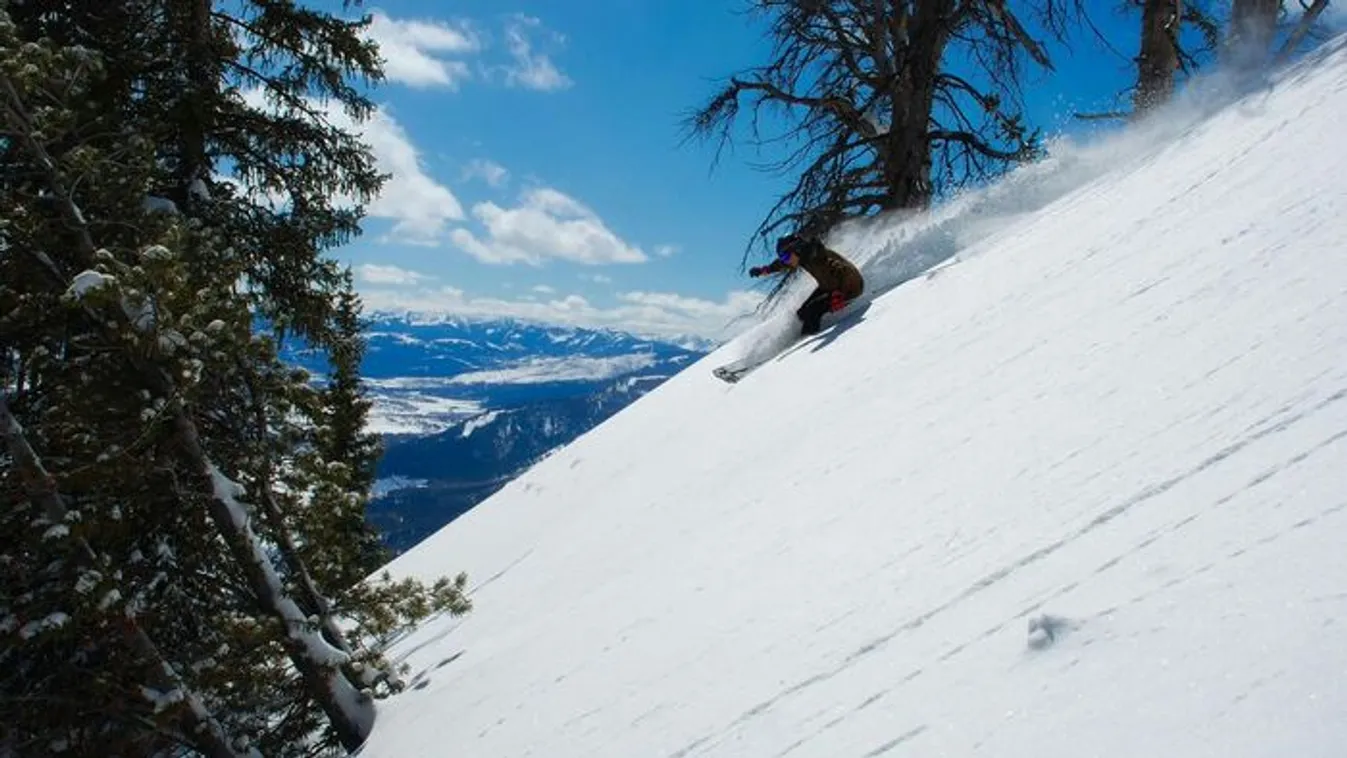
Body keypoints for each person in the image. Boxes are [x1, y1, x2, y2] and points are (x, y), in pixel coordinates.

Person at [750, 233, 864, 336]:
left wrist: (840, 293)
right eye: (783, 258)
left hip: (850, 287)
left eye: (786, 257)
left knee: (812, 310)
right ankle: (808, 332)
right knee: (802, 313)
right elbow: (780, 265)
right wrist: (763, 270)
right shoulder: (803, 257)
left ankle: (807, 343)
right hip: (829, 287)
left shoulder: (818, 256)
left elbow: (843, 270)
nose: (785, 261)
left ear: (796, 249)